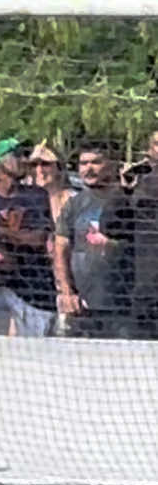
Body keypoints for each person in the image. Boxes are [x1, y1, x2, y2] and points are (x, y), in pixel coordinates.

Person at [0, 138, 54, 335]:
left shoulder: (37, 196)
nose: (24, 159)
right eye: (17, 154)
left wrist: (1, 232)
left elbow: (38, 239)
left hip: (32, 286)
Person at [54, 138, 135, 339]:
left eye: (96, 162)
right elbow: (60, 249)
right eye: (84, 163)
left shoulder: (130, 199)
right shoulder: (74, 204)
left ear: (113, 164)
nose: (89, 169)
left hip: (124, 306)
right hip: (82, 307)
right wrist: (66, 292)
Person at [125, 129, 158, 338]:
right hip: (146, 290)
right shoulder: (140, 182)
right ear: (150, 150)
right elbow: (110, 227)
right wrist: (124, 190)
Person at [28, 142, 75, 226]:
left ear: (59, 167)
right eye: (34, 165)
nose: (39, 170)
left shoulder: (75, 200)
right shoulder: (25, 201)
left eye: (45, 164)